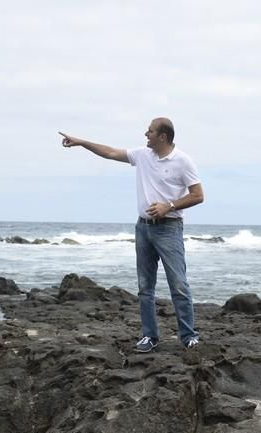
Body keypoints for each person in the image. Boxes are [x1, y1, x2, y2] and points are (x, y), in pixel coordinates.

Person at [60, 117, 204, 352]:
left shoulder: (183, 161)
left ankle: (189, 336)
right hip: (143, 227)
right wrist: (81, 142)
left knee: (178, 284)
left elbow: (198, 195)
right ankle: (150, 336)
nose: (146, 134)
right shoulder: (142, 155)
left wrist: (169, 205)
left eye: (150, 131)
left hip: (169, 228)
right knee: (145, 286)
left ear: (163, 136)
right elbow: (109, 152)